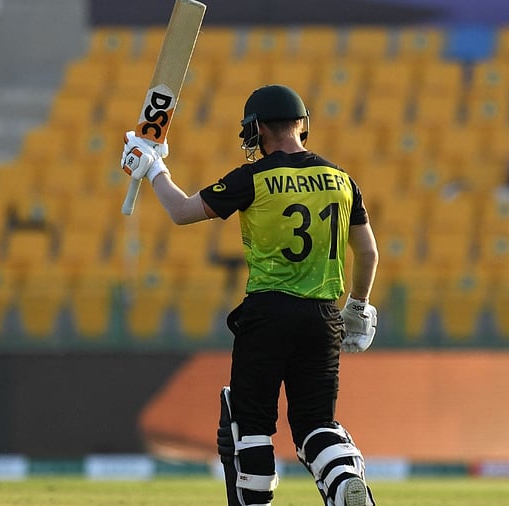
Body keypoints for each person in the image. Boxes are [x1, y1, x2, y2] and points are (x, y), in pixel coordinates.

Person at [120, 84, 379, 506]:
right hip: (322, 318)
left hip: (267, 313)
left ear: (257, 128)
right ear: (302, 125)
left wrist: (153, 169)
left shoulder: (254, 177)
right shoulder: (342, 180)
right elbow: (368, 251)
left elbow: (182, 211)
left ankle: (256, 500)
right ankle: (344, 477)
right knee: (317, 424)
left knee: (252, 424)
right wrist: (358, 306)